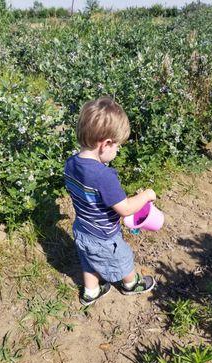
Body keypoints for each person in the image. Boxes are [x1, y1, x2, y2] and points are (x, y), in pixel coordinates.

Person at [64, 97, 156, 306]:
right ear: (105, 144)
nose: (117, 151)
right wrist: (146, 195)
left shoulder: (70, 164)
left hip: (81, 228)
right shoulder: (104, 176)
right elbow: (125, 209)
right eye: (117, 146)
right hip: (104, 236)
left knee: (88, 259)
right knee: (123, 258)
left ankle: (91, 291)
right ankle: (131, 285)